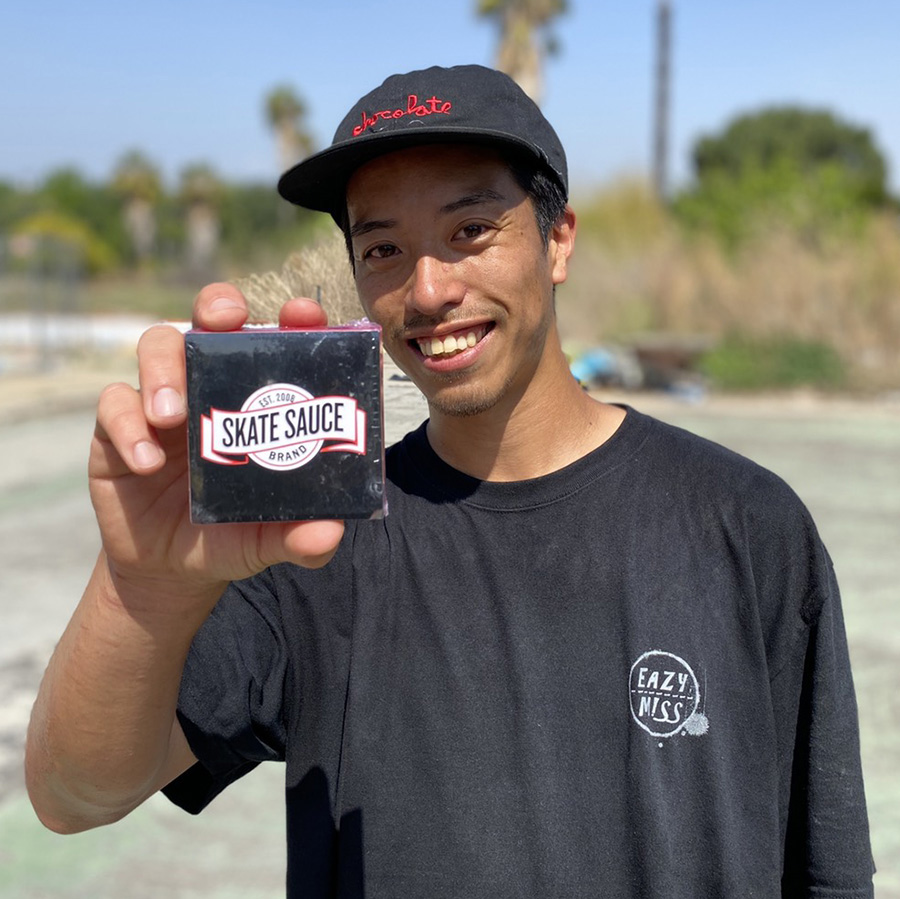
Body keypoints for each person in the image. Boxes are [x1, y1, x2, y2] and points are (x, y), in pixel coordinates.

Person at [26, 64, 874, 898]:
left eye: (470, 230)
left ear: (558, 239)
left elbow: (824, 869)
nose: (428, 291)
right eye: (383, 248)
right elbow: (74, 794)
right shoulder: (311, 540)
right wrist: (143, 584)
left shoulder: (743, 523)